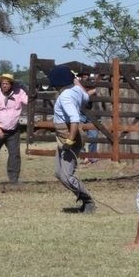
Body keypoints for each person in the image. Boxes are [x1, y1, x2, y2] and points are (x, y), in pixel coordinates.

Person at [51, 65, 97, 213]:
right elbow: (87, 97)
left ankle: (88, 201)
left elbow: (74, 118)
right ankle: (85, 200)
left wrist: (70, 140)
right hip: (65, 136)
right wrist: (76, 81)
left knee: (66, 176)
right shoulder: (77, 90)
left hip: (67, 137)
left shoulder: (65, 96)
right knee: (59, 173)